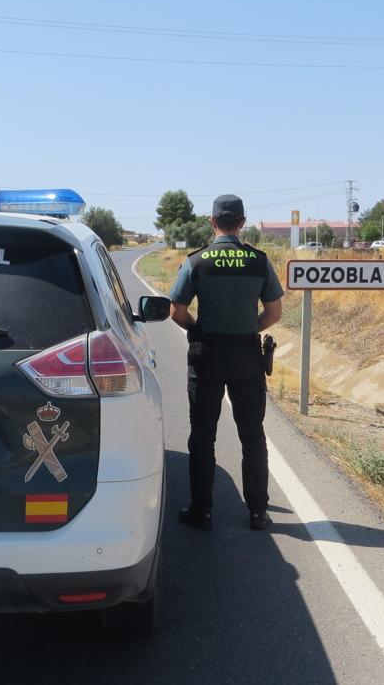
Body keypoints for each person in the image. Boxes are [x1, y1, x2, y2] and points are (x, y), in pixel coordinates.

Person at [168, 195, 284, 531]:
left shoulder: (197, 262)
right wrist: (250, 330)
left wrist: (198, 330)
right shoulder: (259, 261)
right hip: (247, 357)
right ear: (243, 222)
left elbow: (177, 311)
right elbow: (275, 313)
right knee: (252, 434)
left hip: (208, 357)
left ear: (212, 221)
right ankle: (258, 512)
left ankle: (201, 511)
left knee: (203, 435)